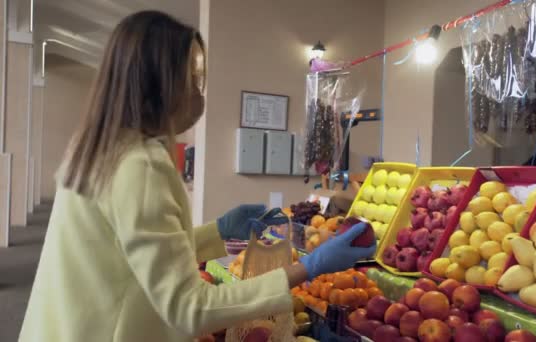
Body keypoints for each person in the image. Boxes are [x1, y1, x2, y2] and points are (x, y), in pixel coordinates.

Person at [19, 11, 375, 342]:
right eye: (192, 76)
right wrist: (309, 267)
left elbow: (133, 251)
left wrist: (216, 232)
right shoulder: (140, 165)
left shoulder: (98, 148)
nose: (198, 89)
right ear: (160, 84)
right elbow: (190, 308)